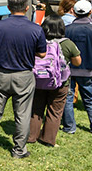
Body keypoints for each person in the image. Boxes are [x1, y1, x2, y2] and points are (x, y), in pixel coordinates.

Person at [0, 0, 47, 158]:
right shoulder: (36, 28)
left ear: (8, 8)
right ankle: (19, 149)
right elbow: (43, 54)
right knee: (23, 114)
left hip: (0, 74)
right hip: (23, 76)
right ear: (27, 8)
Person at [28, 17, 80, 147]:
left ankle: (30, 136)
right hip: (60, 82)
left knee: (35, 109)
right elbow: (77, 62)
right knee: (55, 111)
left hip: (38, 81)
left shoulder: (36, 41)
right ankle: (48, 139)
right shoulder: (67, 43)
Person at [63, 0, 92, 136]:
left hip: (69, 70)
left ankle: (69, 126)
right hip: (88, 69)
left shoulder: (67, 29)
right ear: (90, 12)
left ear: (74, 12)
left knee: (68, 98)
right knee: (89, 99)